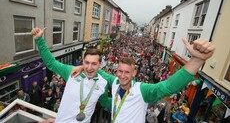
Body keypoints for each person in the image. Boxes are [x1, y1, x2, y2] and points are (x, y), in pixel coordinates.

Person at [71, 38, 215, 123]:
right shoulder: (114, 81)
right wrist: (83, 66)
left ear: (134, 72)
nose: (122, 75)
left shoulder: (142, 89)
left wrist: (196, 60)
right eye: (120, 71)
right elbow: (98, 70)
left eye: (127, 72)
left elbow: (168, 87)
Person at [31, 27, 111, 123]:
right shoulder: (72, 72)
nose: (89, 67)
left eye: (94, 63)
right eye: (87, 62)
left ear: (100, 64)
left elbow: (105, 102)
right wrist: (39, 40)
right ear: (83, 62)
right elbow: (51, 63)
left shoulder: (103, 83)